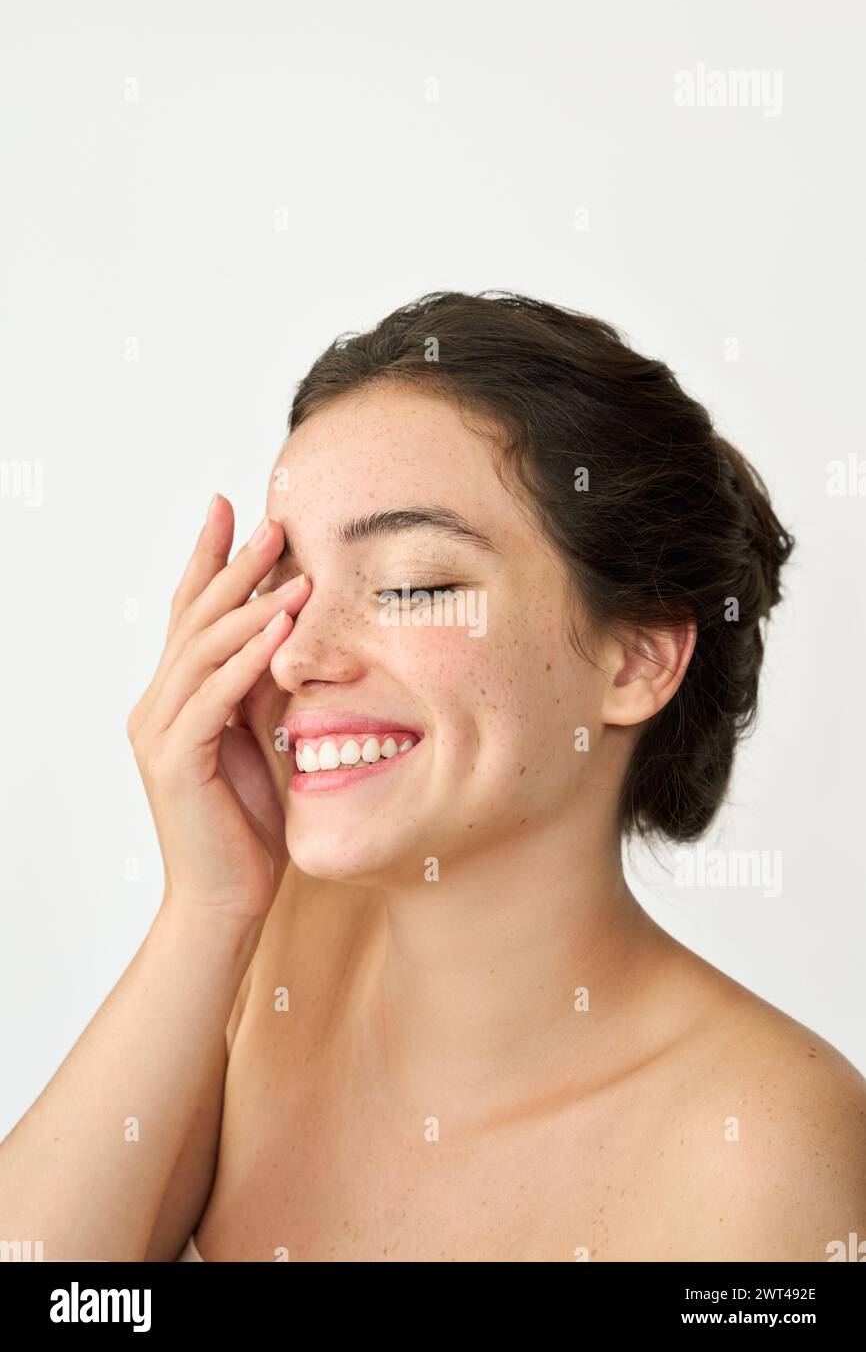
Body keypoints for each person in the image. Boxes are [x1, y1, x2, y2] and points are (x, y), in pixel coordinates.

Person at [3, 291, 864, 1262]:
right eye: (287, 592)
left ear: (632, 661)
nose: (294, 658)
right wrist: (205, 907)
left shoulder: (767, 1152)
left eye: (412, 582)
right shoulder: (268, 959)